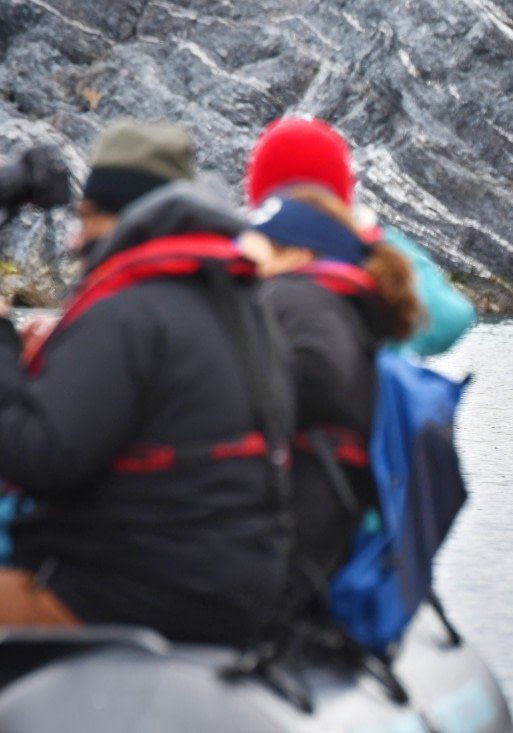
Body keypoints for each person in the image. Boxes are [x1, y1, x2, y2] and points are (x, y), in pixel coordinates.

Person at [0, 119, 295, 645]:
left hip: (128, 594)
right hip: (227, 586)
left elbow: (36, 457)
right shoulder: (237, 302)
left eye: (86, 218)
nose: (73, 240)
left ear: (122, 218)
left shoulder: (129, 313)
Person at [238, 142, 421, 622]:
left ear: (295, 252)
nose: (240, 253)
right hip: (335, 535)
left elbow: (312, 380)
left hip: (285, 548)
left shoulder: (297, 302)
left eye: (256, 242)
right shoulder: (348, 306)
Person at [244, 116, 476, 359]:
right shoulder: (368, 256)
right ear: (343, 193)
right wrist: (371, 240)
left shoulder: (244, 263)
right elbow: (453, 317)